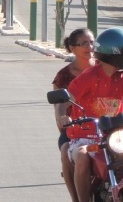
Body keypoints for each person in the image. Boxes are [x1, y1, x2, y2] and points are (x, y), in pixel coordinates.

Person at [61, 28, 123, 202]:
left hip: (114, 136)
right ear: (115, 53)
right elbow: (66, 100)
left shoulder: (122, 77)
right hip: (84, 136)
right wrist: (63, 116)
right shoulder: (89, 76)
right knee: (83, 158)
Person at [52, 28, 97, 202]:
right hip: (75, 129)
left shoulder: (103, 68)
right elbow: (58, 105)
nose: (89, 46)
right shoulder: (63, 76)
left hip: (103, 125)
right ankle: (77, 199)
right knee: (65, 151)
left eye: (92, 42)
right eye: (84, 43)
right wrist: (62, 120)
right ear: (73, 48)